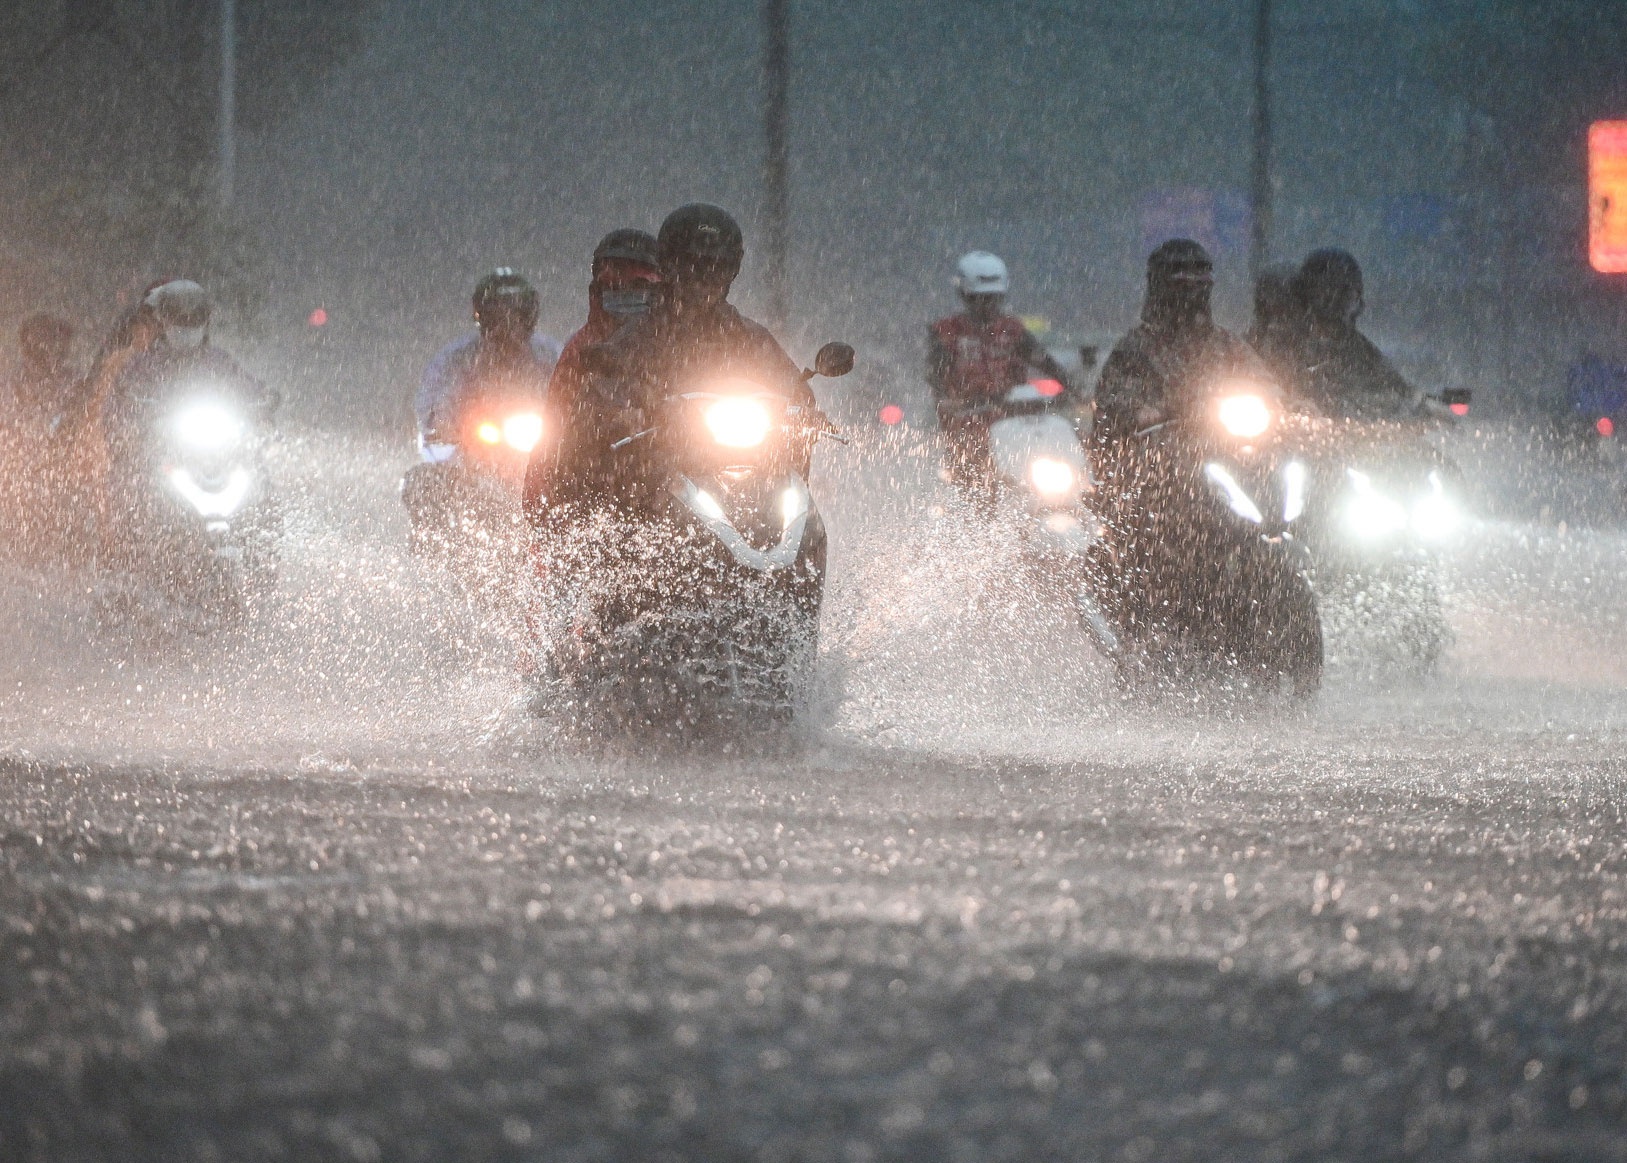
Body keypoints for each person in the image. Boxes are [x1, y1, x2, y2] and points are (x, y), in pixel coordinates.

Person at [570, 203, 821, 511]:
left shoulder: (749, 337)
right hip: (659, 486)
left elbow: (791, 386)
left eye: (716, 266)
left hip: (749, 481)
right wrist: (633, 410)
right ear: (669, 266)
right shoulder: (637, 335)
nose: (704, 276)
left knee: (803, 516)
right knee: (623, 510)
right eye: (692, 264)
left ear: (732, 271)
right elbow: (601, 393)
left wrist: (805, 410)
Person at [100, 281, 275, 559]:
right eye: (179, 317)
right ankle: (128, 559)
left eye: (194, 318)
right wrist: (127, 431)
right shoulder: (142, 365)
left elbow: (246, 386)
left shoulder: (218, 361)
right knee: (129, 481)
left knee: (257, 473)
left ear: (205, 321)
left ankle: (262, 548)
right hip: (159, 452)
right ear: (163, 319)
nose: (186, 324)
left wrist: (264, 398)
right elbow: (117, 405)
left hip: (211, 453)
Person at [521, 229, 660, 528]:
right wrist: (540, 505)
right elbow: (554, 433)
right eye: (614, 287)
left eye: (636, 286)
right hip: (600, 483)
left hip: (674, 471)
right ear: (598, 290)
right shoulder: (580, 350)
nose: (624, 297)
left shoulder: (681, 341)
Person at [926, 251, 1074, 495]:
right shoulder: (945, 332)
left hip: (1015, 426)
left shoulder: (1012, 329)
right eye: (979, 299)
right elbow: (936, 375)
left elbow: (1045, 362)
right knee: (978, 490)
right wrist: (951, 401)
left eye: (993, 299)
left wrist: (1073, 388)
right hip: (969, 429)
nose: (987, 306)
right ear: (964, 296)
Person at [1094, 239, 1270, 445]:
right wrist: (1146, 413)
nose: (1192, 292)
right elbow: (1114, 403)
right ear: (1161, 286)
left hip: (1227, 451)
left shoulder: (1227, 345)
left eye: (1198, 282)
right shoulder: (1134, 349)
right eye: (1182, 283)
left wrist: (1290, 405)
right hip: (1156, 456)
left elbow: (1263, 382)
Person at [415, 269, 562, 449]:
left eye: (517, 313)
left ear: (530, 315)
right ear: (482, 315)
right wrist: (443, 424)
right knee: (426, 475)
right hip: (473, 450)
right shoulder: (457, 358)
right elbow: (435, 398)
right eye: (497, 314)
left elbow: (574, 391)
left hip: (541, 448)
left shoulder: (551, 354)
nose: (508, 322)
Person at [1281, 248, 1418, 421]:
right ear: (1305, 296)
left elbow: (1398, 393)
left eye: (1345, 293)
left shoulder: (1362, 352)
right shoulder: (1281, 342)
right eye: (1326, 292)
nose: (1334, 301)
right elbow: (1255, 383)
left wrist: (1414, 406)